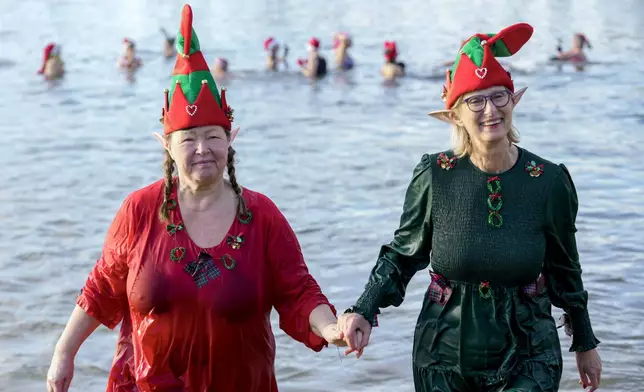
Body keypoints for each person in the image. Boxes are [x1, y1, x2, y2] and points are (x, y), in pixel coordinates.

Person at [46, 5, 345, 392]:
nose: (202, 149)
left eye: (213, 136)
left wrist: (332, 328)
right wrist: (64, 353)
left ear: (230, 139)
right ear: (166, 146)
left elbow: (297, 291)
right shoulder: (139, 211)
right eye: (188, 138)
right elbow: (102, 285)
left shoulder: (261, 215)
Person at [338, 22, 603, 391]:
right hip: (442, 351)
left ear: (514, 101)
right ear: (455, 114)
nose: (490, 110)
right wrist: (364, 308)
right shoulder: (435, 173)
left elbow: (565, 267)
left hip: (529, 348)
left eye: (498, 97)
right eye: (475, 101)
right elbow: (403, 253)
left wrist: (585, 342)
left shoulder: (547, 179)